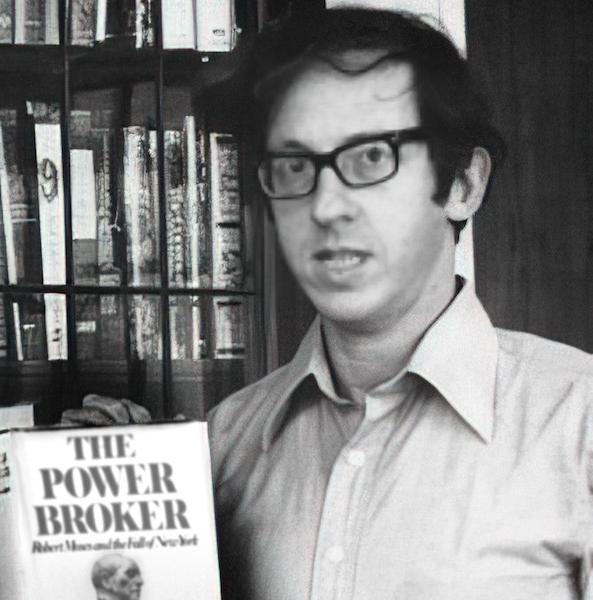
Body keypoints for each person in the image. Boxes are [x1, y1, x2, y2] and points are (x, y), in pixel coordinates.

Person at [205, 7, 593, 599]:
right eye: (293, 165)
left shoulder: (577, 424)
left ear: (463, 184)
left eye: (370, 158)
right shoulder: (226, 443)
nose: (326, 206)